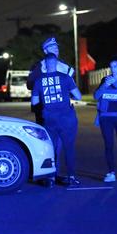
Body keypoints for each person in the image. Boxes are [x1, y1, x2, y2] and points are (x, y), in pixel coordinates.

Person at [31, 53, 82, 187]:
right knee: (69, 148)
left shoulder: (38, 81)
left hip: (49, 119)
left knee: (51, 148)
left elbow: (34, 101)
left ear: (46, 65)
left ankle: (51, 178)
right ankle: (71, 177)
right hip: (67, 119)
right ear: (56, 63)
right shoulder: (65, 78)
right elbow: (78, 96)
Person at [27, 37, 75, 124]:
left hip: (62, 109)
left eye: (56, 47)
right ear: (45, 51)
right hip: (43, 109)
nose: (56, 49)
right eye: (52, 47)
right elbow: (29, 85)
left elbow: (72, 89)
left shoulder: (66, 67)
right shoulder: (37, 67)